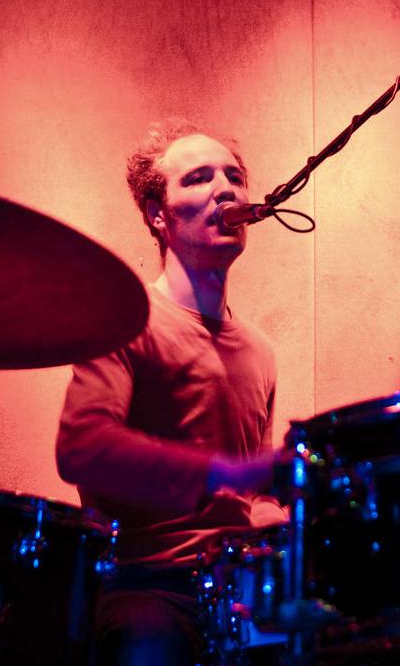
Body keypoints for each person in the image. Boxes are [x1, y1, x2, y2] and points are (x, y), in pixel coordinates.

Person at [56, 119, 284, 666]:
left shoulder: (260, 350)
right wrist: (224, 473)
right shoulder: (124, 321)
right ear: (157, 215)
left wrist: (277, 513)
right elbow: (82, 446)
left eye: (234, 177)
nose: (225, 190)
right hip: (148, 584)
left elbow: (255, 497)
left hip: (237, 591)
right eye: (199, 178)